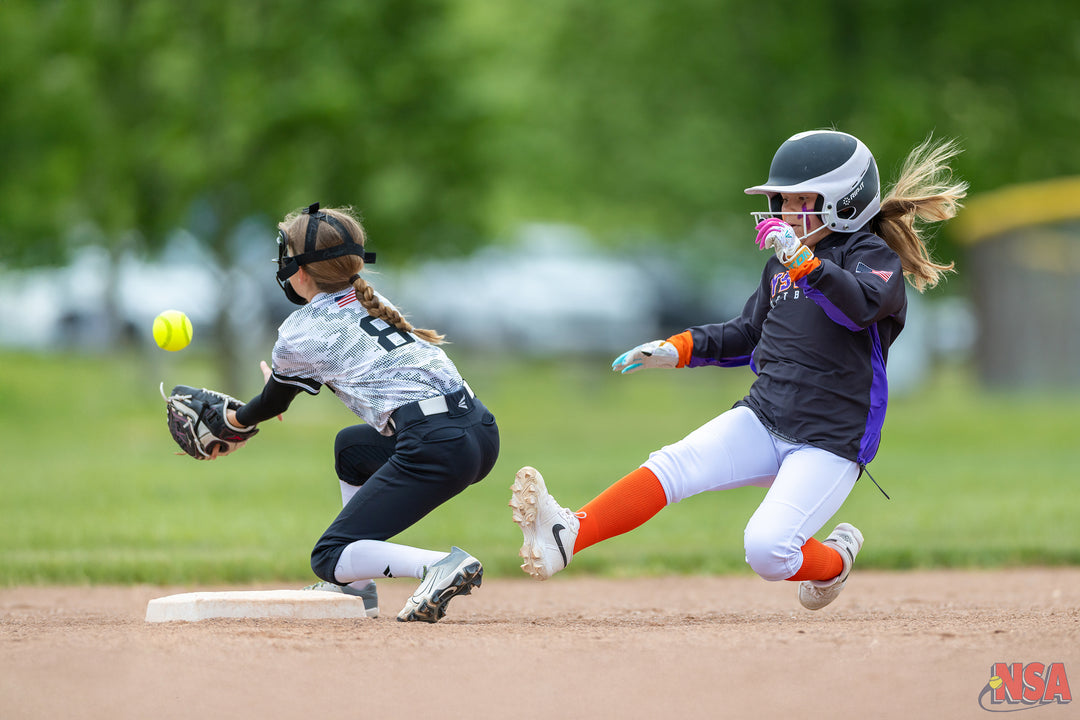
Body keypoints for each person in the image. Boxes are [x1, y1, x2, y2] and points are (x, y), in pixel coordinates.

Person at [510, 130, 967, 610]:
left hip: (831, 439)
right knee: (672, 465)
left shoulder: (873, 259)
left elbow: (857, 307)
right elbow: (748, 334)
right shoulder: (781, 268)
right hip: (766, 414)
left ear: (844, 203)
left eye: (799, 200)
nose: (786, 212)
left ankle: (835, 562)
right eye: (782, 200)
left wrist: (804, 263)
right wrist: (676, 348)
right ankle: (568, 534)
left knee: (768, 551)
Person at [221, 203, 499, 622]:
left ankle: (438, 565)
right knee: (351, 448)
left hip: (436, 442)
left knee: (328, 554)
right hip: (478, 429)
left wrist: (233, 422)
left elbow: (274, 402)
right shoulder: (368, 298)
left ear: (298, 269)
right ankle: (354, 587)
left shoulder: (300, 330)